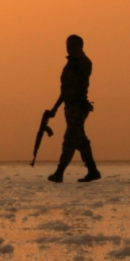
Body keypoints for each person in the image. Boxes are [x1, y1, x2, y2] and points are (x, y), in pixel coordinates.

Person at [46, 34, 100, 183]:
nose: (69, 49)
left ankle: (59, 172)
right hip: (69, 108)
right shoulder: (70, 64)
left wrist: (56, 107)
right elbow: (64, 90)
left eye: (72, 46)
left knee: (69, 140)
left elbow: (73, 88)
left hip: (79, 107)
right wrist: (55, 108)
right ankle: (93, 170)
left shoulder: (83, 63)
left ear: (80, 47)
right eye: (67, 46)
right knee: (80, 140)